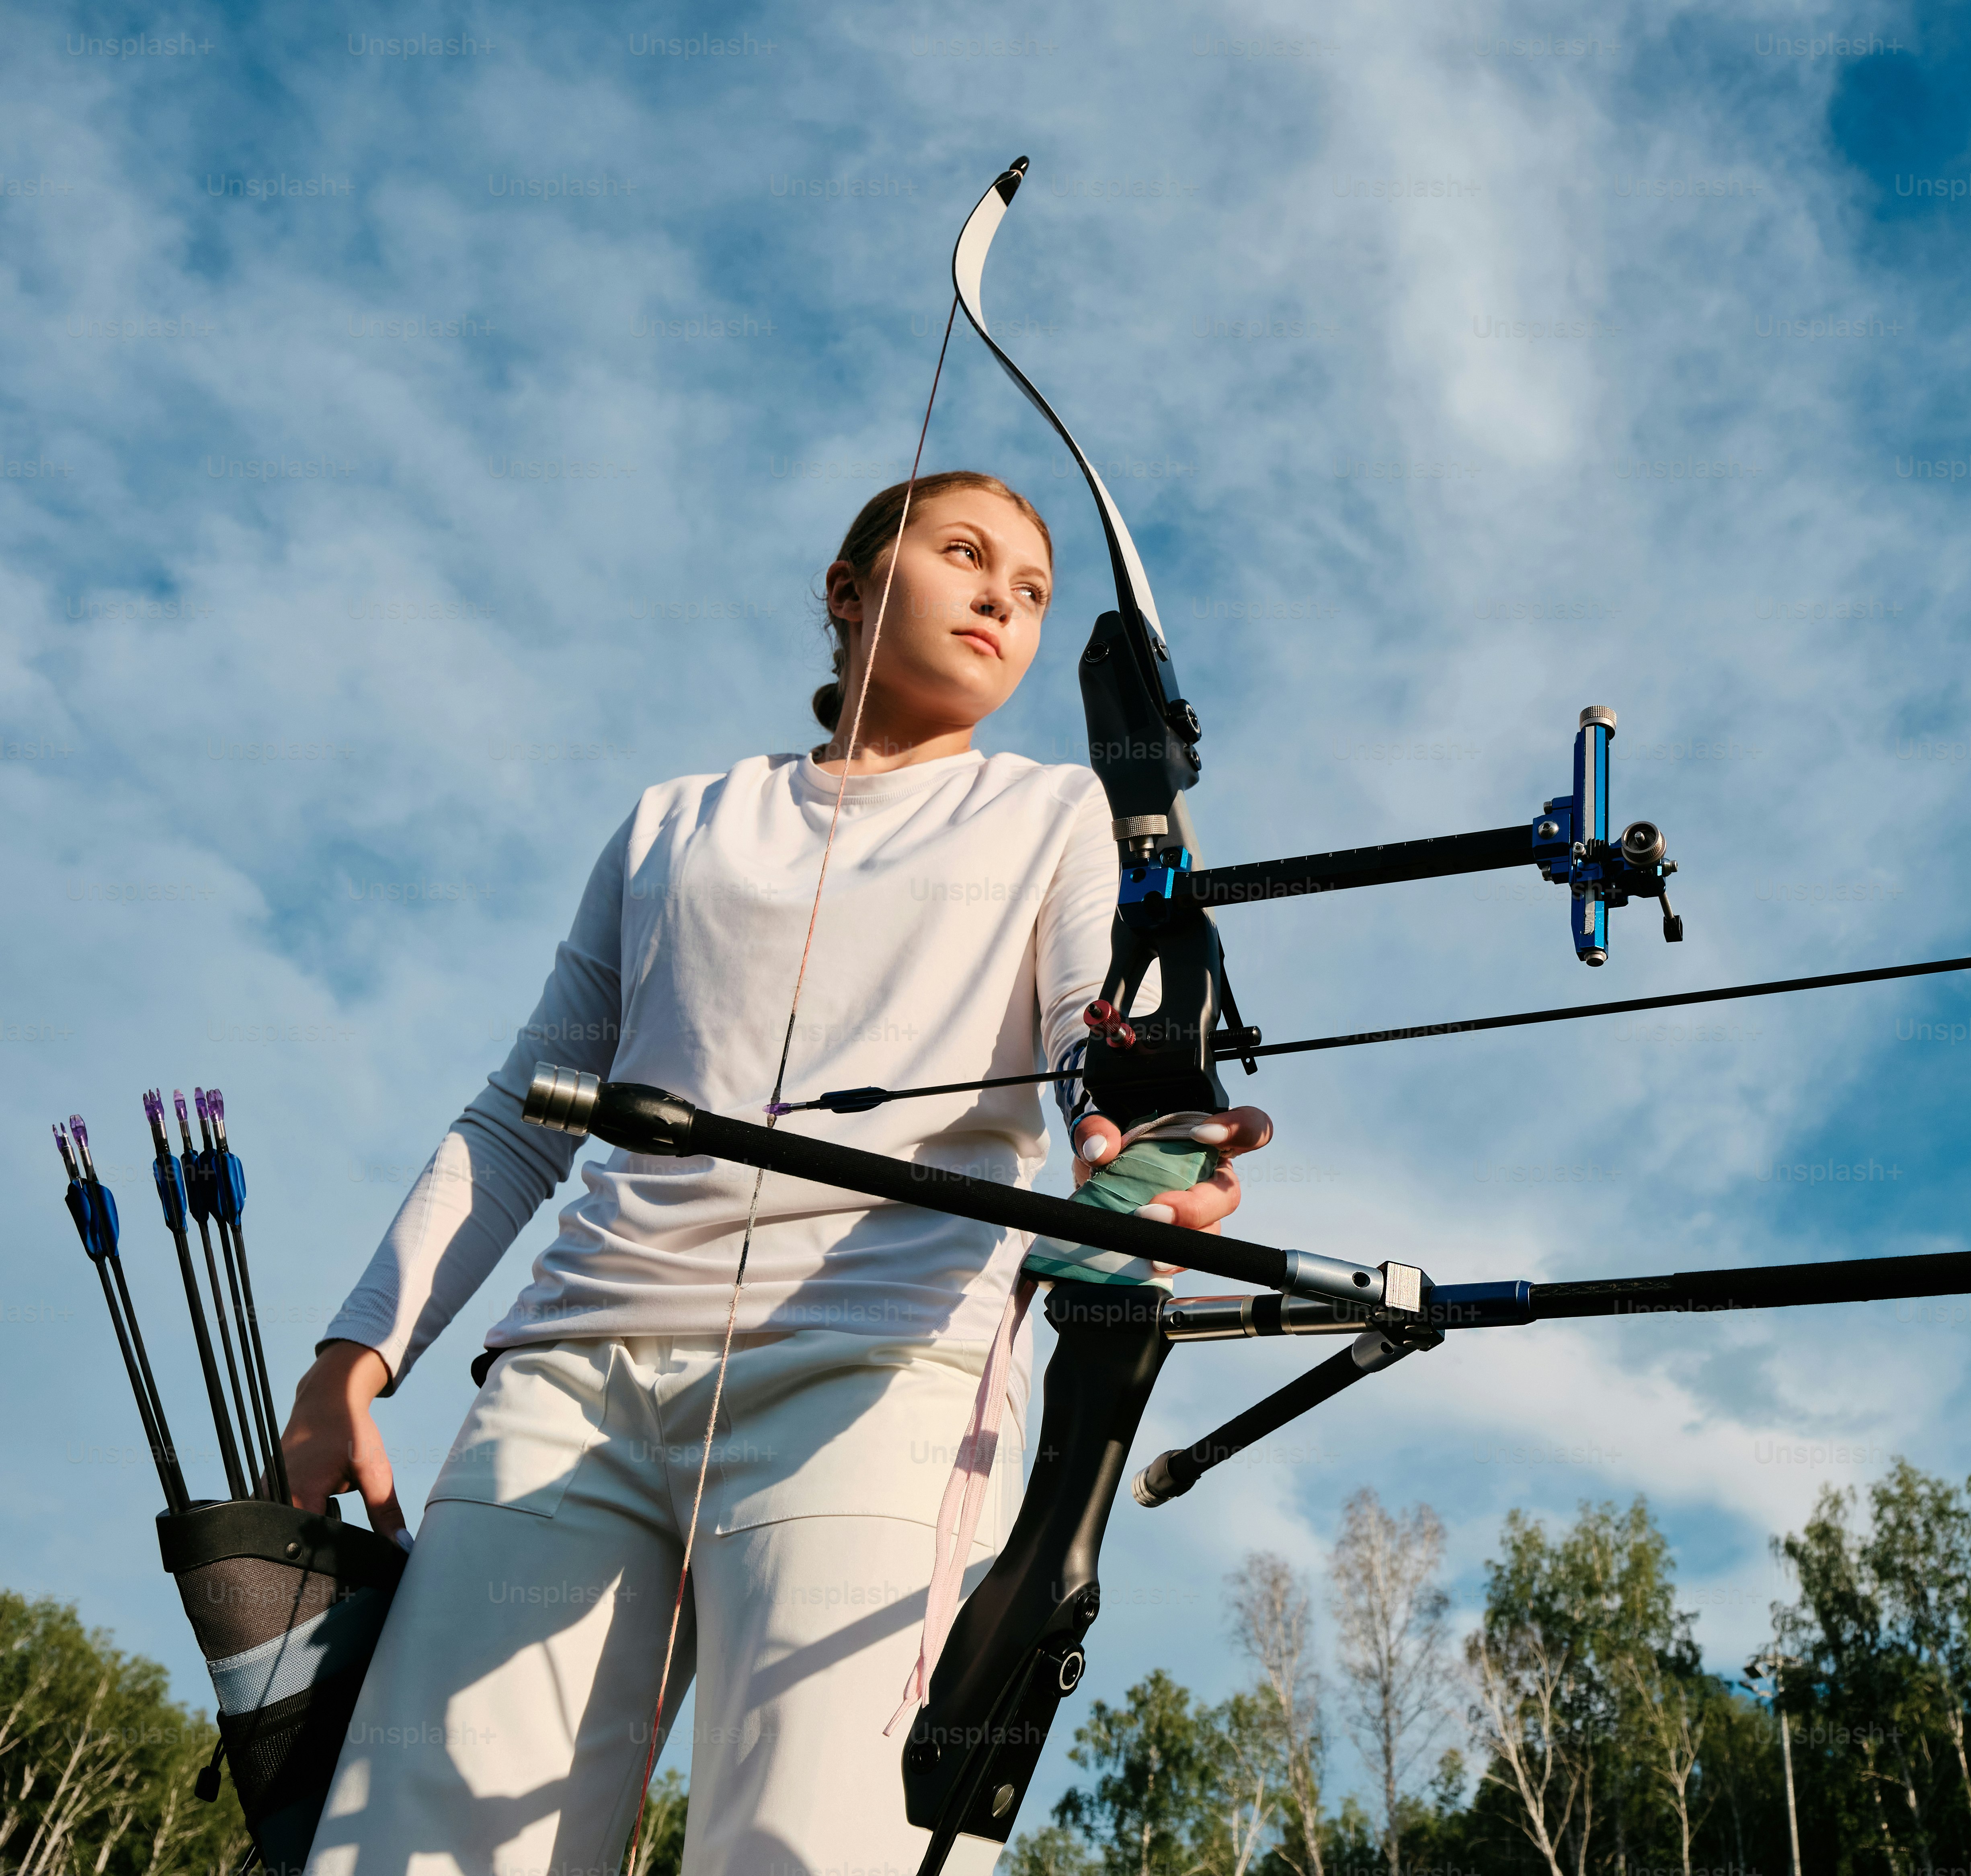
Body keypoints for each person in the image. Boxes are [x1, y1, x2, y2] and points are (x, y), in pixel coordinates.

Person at [282, 470, 1270, 1876]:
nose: (1002, 598)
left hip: (876, 1374)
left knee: (812, 1850)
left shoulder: (1053, 812)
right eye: (965, 554)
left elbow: (1094, 1038)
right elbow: (520, 1116)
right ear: (849, 589)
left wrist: (1147, 1138)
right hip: (575, 1380)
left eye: (1035, 591)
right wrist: (353, 1359)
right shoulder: (675, 822)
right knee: (412, 1849)